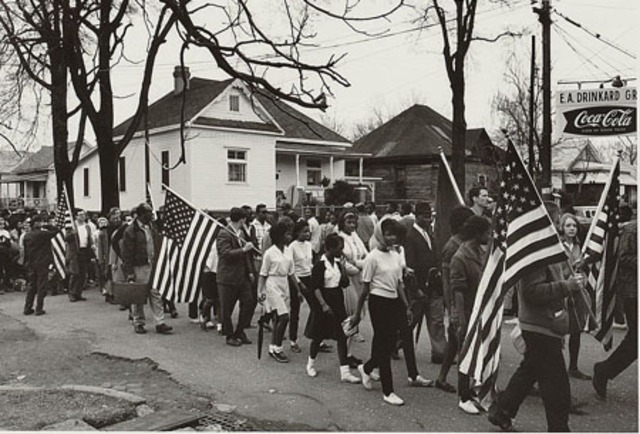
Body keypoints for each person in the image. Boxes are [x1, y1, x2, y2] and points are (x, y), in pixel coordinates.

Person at [488, 226, 585, 431]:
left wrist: (571, 277)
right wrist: (567, 286)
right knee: (557, 386)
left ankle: (502, 410)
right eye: (557, 222)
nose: (560, 228)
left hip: (544, 324)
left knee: (529, 370)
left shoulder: (545, 252)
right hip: (541, 326)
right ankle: (559, 429)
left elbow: (552, 278)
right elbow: (532, 291)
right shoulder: (536, 255)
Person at [352, 219, 415, 406]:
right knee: (384, 344)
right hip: (378, 302)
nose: (391, 237)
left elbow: (399, 283)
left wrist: (407, 305)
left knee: (388, 344)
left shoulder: (396, 255)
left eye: (394, 233)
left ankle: (367, 367)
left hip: (394, 301)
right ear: (380, 234)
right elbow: (365, 289)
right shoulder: (372, 258)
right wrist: (357, 314)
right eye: (387, 233)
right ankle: (388, 391)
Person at [449, 216, 491, 414]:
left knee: (476, 352)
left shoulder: (478, 253)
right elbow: (457, 290)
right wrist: (460, 320)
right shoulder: (461, 257)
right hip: (465, 311)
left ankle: (473, 390)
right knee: (464, 352)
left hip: (478, 309)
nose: (489, 236)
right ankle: (463, 396)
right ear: (478, 233)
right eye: (486, 232)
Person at [305, 233, 360, 383]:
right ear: (329, 248)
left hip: (337, 301)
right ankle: (310, 364)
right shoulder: (319, 265)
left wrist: (342, 268)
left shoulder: (337, 264)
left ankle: (345, 372)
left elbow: (343, 283)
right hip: (324, 301)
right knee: (318, 336)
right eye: (338, 248)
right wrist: (323, 305)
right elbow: (315, 287)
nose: (340, 251)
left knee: (342, 336)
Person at [592, 215, 637, 400]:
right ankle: (604, 370)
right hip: (633, 292)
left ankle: (604, 370)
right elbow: (623, 257)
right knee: (635, 340)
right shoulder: (633, 229)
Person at [435, 206, 475, 393]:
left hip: (468, 298)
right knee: (460, 341)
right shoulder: (452, 246)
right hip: (457, 301)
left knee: (453, 342)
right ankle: (465, 386)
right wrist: (451, 308)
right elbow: (446, 279)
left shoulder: (467, 242)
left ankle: (442, 377)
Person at [403, 201, 447, 364]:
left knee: (437, 320)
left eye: (430, 216)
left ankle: (439, 352)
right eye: (425, 216)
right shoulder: (411, 236)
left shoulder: (430, 234)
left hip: (434, 285)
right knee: (412, 319)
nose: (428, 219)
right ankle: (396, 344)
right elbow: (411, 266)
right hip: (419, 286)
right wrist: (416, 290)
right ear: (417, 216)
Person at [121, 203, 173, 335]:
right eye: (148, 212)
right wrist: (130, 273)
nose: (151, 214)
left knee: (156, 293)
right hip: (139, 266)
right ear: (141, 215)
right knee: (138, 295)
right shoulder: (131, 230)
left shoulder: (151, 226)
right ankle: (138, 322)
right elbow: (126, 253)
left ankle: (159, 322)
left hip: (153, 265)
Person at [258, 220, 302, 363]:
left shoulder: (289, 250)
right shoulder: (269, 253)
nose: (290, 236)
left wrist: (298, 290)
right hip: (272, 285)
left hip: (284, 285)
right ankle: (278, 348)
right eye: (287, 234)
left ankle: (272, 347)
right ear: (279, 236)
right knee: (284, 317)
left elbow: (291, 273)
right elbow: (263, 274)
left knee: (279, 317)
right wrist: (260, 292)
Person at [558, 213, 592, 380]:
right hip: (562, 293)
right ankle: (553, 368)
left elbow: (585, 271)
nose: (571, 229)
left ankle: (573, 366)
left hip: (577, 293)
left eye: (574, 226)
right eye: (568, 226)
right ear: (562, 228)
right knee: (558, 331)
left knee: (576, 330)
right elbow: (555, 271)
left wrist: (583, 269)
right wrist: (570, 269)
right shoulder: (557, 246)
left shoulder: (580, 246)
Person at [217, 207, 255, 347]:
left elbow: (246, 257)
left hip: (242, 276)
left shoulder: (242, 233)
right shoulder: (224, 233)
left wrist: (250, 271)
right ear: (242, 219)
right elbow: (225, 253)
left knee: (248, 302)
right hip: (228, 277)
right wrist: (243, 249)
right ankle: (229, 335)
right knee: (227, 308)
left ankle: (240, 331)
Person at [338, 210, 368, 360]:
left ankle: (352, 336)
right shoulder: (340, 237)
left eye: (353, 222)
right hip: (348, 278)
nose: (351, 225)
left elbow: (365, 254)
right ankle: (346, 349)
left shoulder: (355, 236)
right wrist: (357, 266)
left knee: (360, 308)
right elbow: (343, 261)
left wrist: (362, 264)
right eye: (348, 222)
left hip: (359, 275)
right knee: (351, 309)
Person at [286, 220, 313, 353]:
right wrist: (299, 285)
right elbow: (291, 268)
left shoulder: (308, 245)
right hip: (296, 280)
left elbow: (310, 264)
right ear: (297, 232)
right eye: (304, 231)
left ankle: (315, 337)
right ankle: (293, 340)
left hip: (309, 278)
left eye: (308, 231)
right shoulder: (292, 247)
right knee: (295, 310)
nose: (307, 234)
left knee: (316, 307)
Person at [22, 215, 57, 315]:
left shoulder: (27, 236)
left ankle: (27, 307)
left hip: (31, 263)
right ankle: (39, 308)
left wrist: (26, 263)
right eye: (40, 222)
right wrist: (47, 226)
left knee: (32, 286)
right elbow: (56, 230)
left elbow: (25, 251)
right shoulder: (42, 234)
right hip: (42, 263)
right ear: (37, 223)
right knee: (41, 286)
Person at [66, 209, 93, 302]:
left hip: (84, 250)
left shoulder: (87, 227)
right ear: (76, 216)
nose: (83, 216)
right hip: (75, 252)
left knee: (83, 273)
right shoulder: (72, 226)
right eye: (80, 215)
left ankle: (79, 293)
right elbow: (65, 238)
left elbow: (89, 238)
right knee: (75, 273)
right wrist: (71, 234)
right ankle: (72, 293)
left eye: (84, 215)